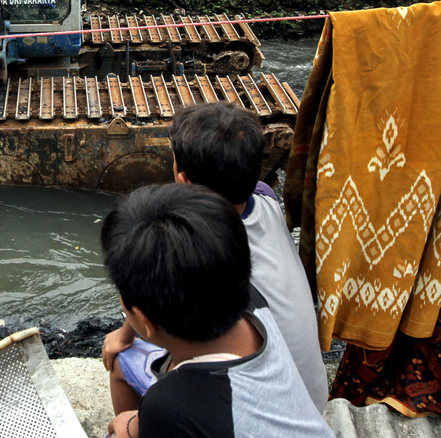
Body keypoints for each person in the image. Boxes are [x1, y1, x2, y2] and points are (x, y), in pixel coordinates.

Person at [103, 102, 328, 415]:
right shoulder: (264, 196)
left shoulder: (207, 251)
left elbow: (151, 301)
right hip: (311, 397)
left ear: (183, 181)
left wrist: (123, 334)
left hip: (257, 403)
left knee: (120, 362)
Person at [101, 183, 333, 437]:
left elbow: (157, 416)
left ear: (145, 321)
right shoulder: (251, 301)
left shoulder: (168, 406)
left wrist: (126, 425)